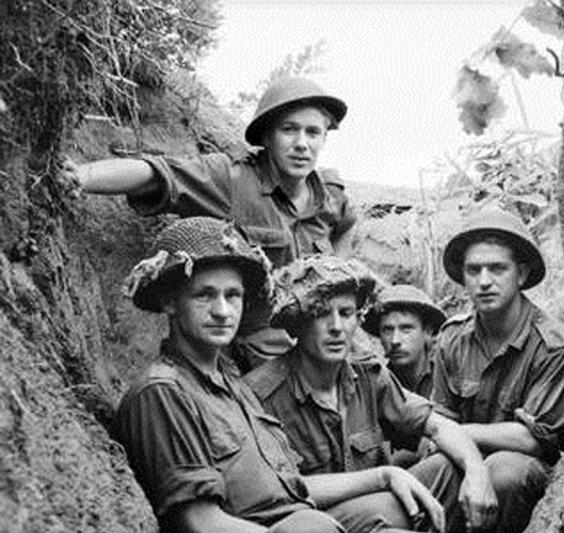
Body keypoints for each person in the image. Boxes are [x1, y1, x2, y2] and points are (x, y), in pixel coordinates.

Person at [110, 216, 522, 533]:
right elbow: (202, 532)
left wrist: (384, 475)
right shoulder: (163, 392)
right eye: (204, 295)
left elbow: (293, 488)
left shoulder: (230, 384)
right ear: (169, 302)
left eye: (232, 295)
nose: (222, 310)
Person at [60, 76, 357, 370]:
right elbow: (157, 174)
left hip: (318, 346)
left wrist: (338, 273)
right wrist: (81, 177)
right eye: (289, 130)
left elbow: (346, 225)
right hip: (255, 357)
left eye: (312, 132)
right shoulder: (232, 179)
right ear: (267, 136)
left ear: (324, 138)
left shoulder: (331, 196)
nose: (302, 144)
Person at [244, 256, 498, 533]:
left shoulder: (367, 373)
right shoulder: (261, 395)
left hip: (380, 512)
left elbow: (438, 426)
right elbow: (276, 491)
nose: (336, 327)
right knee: (391, 510)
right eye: (321, 314)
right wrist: (382, 477)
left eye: (346, 313)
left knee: (449, 468)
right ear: (298, 323)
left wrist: (477, 471)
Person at [431, 204, 564, 533]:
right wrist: (462, 453)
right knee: (430, 468)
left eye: (497, 268)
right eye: (474, 270)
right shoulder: (452, 338)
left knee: (504, 471)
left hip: (524, 473)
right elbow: (438, 420)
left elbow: (533, 440)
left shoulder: (552, 346)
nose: (484, 281)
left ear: (521, 274)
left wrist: (460, 434)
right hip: (465, 459)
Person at [362, 283, 446, 398]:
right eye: (387, 330)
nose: (395, 340)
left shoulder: (448, 379)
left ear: (428, 333)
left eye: (406, 329)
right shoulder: (373, 387)